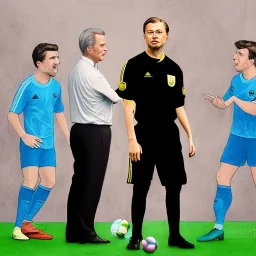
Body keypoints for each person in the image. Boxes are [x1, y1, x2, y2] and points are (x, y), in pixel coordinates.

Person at [115, 17, 196, 250]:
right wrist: (132, 140)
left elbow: (178, 106)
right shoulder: (132, 65)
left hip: (169, 137)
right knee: (140, 188)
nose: (154, 35)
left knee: (174, 188)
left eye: (159, 31)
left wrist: (190, 136)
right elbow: (127, 104)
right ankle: (135, 237)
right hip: (143, 136)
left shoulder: (174, 69)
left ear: (166, 36)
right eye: (149, 31)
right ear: (144, 36)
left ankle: (175, 236)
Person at [8, 43, 70, 240]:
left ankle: (27, 222)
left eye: (57, 57)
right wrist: (24, 135)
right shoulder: (27, 85)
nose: (57, 62)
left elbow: (58, 112)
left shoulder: (56, 87)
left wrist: (69, 137)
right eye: (52, 58)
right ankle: (18, 228)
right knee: (30, 181)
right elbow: (12, 114)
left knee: (49, 181)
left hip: (48, 145)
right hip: (31, 145)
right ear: (39, 63)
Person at [197, 40, 256, 242]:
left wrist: (234, 100)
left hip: (255, 140)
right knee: (222, 177)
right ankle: (218, 228)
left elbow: (255, 110)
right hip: (237, 138)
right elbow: (224, 103)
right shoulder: (235, 80)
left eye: (240, 54)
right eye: (236, 54)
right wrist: (217, 102)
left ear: (252, 60)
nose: (234, 57)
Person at [66, 28, 121, 244]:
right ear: (90, 49)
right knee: (91, 183)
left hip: (79, 131)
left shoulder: (76, 69)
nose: (106, 48)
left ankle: (74, 232)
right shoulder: (92, 73)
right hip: (94, 133)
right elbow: (117, 97)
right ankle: (87, 233)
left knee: (79, 182)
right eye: (102, 45)